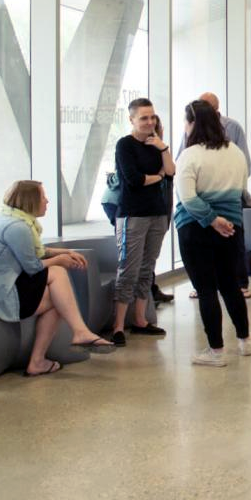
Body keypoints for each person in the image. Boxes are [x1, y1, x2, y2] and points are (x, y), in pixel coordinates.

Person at [0, 180, 115, 376]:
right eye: (43, 197)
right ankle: (78, 333)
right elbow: (33, 266)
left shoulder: (10, 220)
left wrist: (64, 252)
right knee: (58, 275)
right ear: (31, 200)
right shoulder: (17, 227)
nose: (47, 201)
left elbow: (34, 252)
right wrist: (60, 259)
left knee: (58, 299)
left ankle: (42, 359)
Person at [175, 100, 251, 367]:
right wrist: (222, 220)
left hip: (195, 229)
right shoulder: (236, 153)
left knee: (206, 289)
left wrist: (211, 219)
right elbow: (241, 189)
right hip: (232, 228)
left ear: (192, 123)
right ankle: (244, 341)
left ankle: (216, 352)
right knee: (231, 285)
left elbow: (187, 198)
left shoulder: (190, 154)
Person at [111, 97, 173, 346]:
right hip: (132, 215)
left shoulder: (155, 145)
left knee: (147, 269)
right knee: (129, 269)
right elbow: (134, 180)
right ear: (132, 120)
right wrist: (156, 177)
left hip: (157, 213)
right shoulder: (124, 145)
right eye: (144, 118)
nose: (149, 122)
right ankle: (117, 327)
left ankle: (140, 320)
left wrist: (163, 148)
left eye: (152, 117)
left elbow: (171, 172)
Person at [182, 91, 251, 299]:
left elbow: (244, 168)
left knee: (227, 282)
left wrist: (213, 218)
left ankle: (241, 283)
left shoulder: (233, 130)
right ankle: (242, 332)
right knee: (209, 285)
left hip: (218, 211)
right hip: (203, 216)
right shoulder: (191, 150)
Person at [150, 113, 175, 305]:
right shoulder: (137, 148)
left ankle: (151, 290)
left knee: (151, 253)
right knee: (145, 254)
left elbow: (170, 171)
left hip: (160, 204)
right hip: (145, 207)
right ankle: (149, 292)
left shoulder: (161, 148)